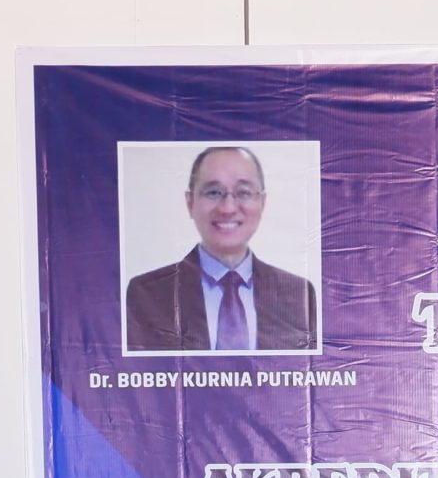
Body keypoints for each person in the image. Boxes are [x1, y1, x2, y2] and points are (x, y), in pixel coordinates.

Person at [124, 145, 318, 353]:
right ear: (190, 202)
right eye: (213, 192)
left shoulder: (299, 295)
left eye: (243, 192)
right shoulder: (147, 295)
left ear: (262, 202)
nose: (228, 208)